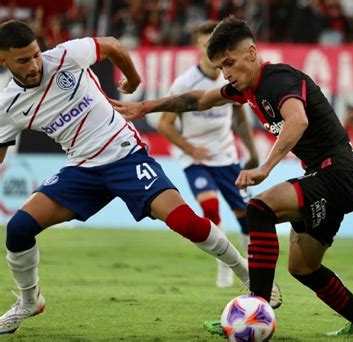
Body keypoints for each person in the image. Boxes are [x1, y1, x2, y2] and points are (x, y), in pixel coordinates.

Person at [0, 19, 281, 335]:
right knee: (19, 229)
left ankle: (247, 275)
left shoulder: (64, 56)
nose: (35, 64)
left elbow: (112, 45)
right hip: (82, 169)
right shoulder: (8, 105)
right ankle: (29, 300)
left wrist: (132, 80)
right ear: (4, 61)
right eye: (24, 60)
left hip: (125, 156)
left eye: (36, 54)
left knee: (187, 222)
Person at [111, 16, 353, 337]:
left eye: (230, 63)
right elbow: (200, 99)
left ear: (251, 53)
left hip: (336, 174)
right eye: (220, 67)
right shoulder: (247, 88)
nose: (225, 73)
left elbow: (297, 121)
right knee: (303, 267)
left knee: (259, 208)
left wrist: (264, 168)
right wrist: (145, 107)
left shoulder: (277, 80)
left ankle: (256, 306)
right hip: (330, 179)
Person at [157, 20, 259, 288]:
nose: (207, 50)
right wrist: (191, 149)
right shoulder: (184, 83)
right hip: (196, 159)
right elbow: (164, 125)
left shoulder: (231, 77)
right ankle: (226, 266)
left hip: (226, 156)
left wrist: (251, 150)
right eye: (203, 45)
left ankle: (251, 270)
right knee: (210, 207)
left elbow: (240, 118)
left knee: (246, 215)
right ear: (198, 46)